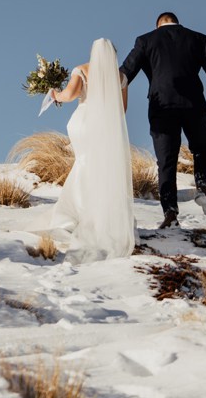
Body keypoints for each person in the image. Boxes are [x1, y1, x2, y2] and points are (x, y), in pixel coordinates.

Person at [119, 12, 206, 229]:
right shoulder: (198, 39)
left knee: (166, 162)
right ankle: (201, 187)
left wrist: (100, 82)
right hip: (194, 105)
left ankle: (170, 212)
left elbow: (124, 75)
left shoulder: (145, 41)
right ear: (176, 22)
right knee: (201, 149)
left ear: (158, 26)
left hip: (162, 107)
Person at [43, 38, 137, 261]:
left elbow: (70, 95)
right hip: (108, 126)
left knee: (84, 162)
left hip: (84, 124)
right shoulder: (122, 78)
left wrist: (53, 93)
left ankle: (75, 214)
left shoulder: (82, 70)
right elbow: (121, 110)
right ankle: (101, 216)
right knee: (103, 168)